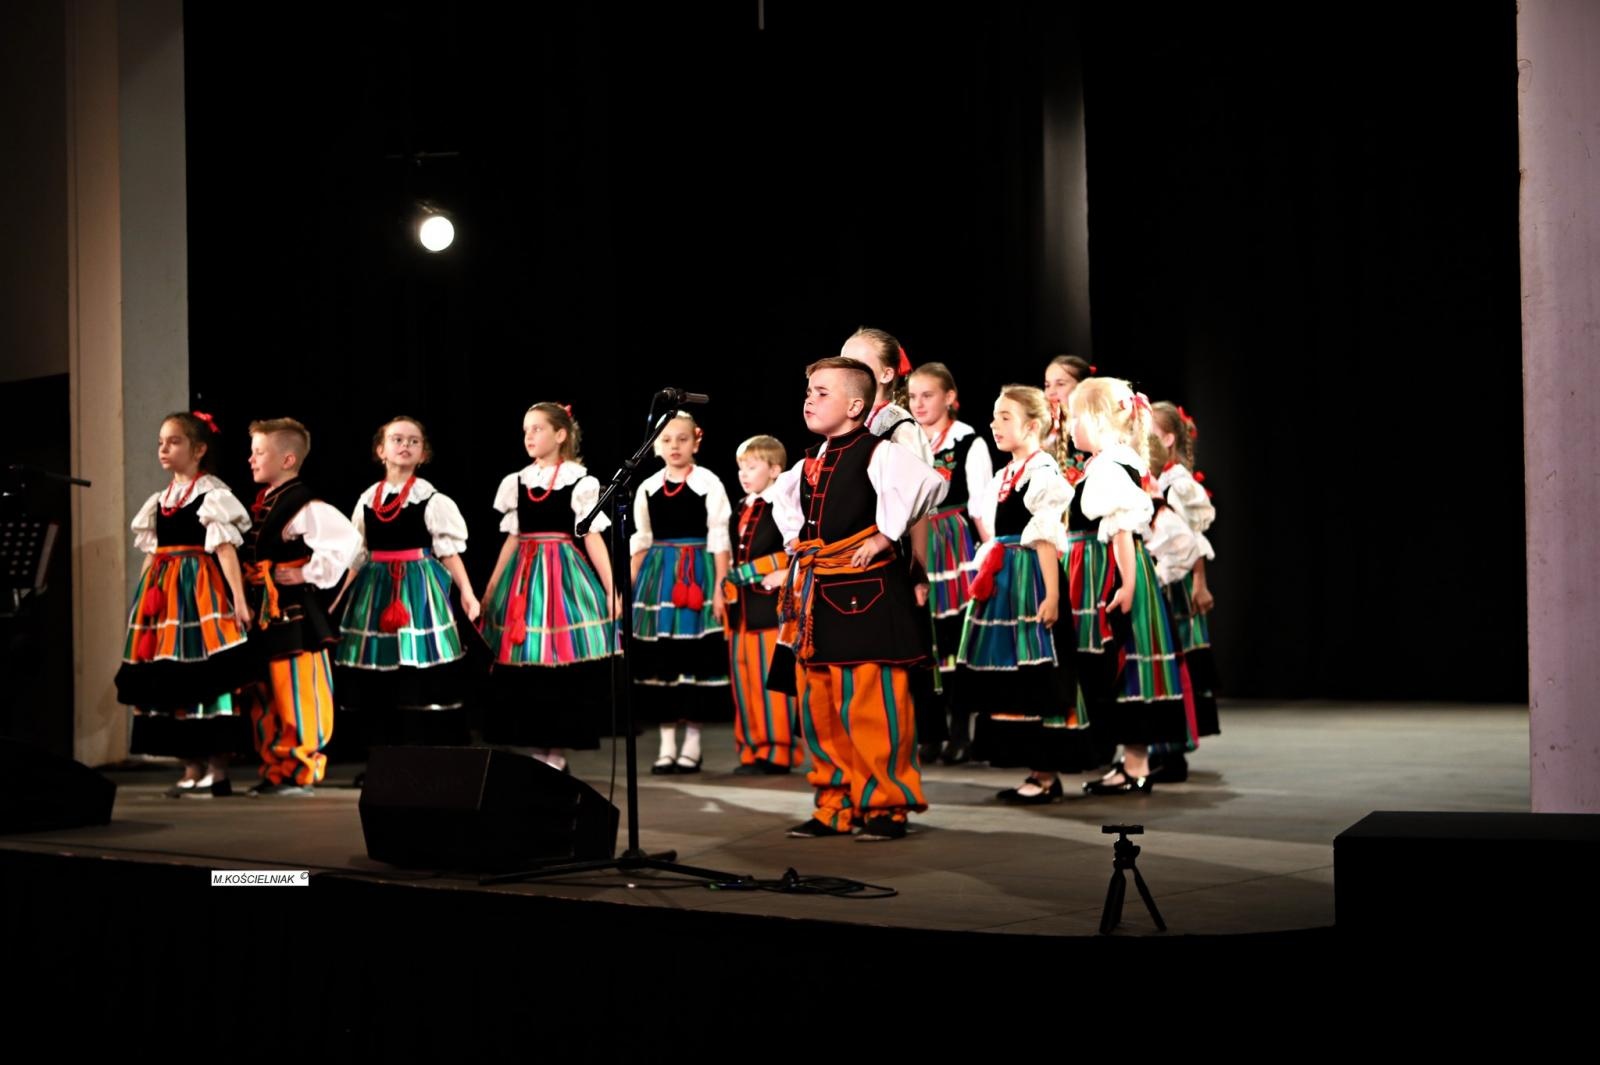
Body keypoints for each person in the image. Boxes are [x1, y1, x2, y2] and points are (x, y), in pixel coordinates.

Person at [770, 357, 947, 841]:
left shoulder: (878, 452)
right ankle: (836, 802)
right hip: (818, 595)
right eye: (808, 390)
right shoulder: (810, 459)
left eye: (822, 392)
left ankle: (886, 804)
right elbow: (789, 514)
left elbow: (928, 484)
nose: (809, 398)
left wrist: (887, 536)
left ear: (854, 404)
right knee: (820, 707)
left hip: (865, 595)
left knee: (871, 705)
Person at [959, 386, 1095, 803]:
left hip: (1030, 579)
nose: (994, 425)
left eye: (1004, 417)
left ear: (1032, 425)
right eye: (995, 416)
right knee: (1014, 673)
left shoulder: (1042, 473)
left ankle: (1045, 772)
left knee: (1039, 669)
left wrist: (1052, 595)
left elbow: (1045, 540)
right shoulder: (1006, 475)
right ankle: (1035, 769)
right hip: (1006, 579)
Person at [115, 411, 254, 797]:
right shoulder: (159, 501)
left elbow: (225, 550)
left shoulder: (212, 496)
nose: (164, 448)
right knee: (167, 673)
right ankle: (190, 765)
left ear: (198, 449)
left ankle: (217, 768)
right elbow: (151, 553)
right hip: (163, 596)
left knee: (205, 672)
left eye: (173, 441)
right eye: (161, 441)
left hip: (197, 592)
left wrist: (239, 601)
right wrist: (141, 599)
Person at [1064, 381, 1188, 795]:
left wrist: (1127, 585)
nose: (1070, 424)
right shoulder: (1113, 460)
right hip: (1112, 568)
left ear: (1098, 419)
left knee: (1126, 660)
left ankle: (1136, 764)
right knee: (1121, 662)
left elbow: (1121, 530)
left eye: (1077, 416)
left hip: (1113, 572)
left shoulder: (1107, 466)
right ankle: (1130, 761)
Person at [479, 402, 617, 772]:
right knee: (527, 662)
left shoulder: (580, 480)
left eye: (537, 429)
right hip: (523, 576)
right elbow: (512, 537)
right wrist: (491, 587)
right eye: (526, 430)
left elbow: (591, 538)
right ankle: (538, 749)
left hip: (562, 574)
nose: (529, 436)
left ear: (560, 435)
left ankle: (556, 752)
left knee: (559, 662)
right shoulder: (517, 481)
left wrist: (609, 588)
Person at [333, 416, 478, 750]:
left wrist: (467, 593)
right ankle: (383, 754)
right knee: (379, 670)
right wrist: (340, 596)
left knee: (416, 664)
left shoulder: (432, 499)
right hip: (375, 588)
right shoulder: (368, 499)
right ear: (380, 450)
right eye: (397, 439)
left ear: (423, 453)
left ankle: (420, 750)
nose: (405, 446)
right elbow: (358, 552)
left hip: (417, 589)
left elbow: (449, 552)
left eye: (414, 441)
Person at [240, 417, 362, 796]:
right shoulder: (268, 501)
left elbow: (347, 542)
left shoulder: (302, 502)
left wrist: (308, 571)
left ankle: (302, 766)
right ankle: (276, 767)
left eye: (260, 452)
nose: (251, 459)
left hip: (294, 612)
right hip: (267, 611)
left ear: (288, 459)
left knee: (298, 690)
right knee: (267, 692)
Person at [629, 411, 732, 774]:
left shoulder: (708, 483)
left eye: (682, 439)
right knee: (662, 660)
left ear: (696, 441)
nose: (675, 446)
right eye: (668, 439)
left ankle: (692, 744)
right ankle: (667, 744)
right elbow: (640, 543)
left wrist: (721, 588)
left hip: (697, 575)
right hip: (659, 579)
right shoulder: (647, 487)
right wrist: (627, 591)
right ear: (656, 444)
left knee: (695, 659)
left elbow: (720, 540)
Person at [906, 361, 993, 764]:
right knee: (924, 641)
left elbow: (980, 504)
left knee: (955, 639)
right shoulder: (904, 441)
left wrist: (991, 553)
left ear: (950, 398)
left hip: (952, 543)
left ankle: (960, 731)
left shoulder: (967, 442)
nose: (919, 403)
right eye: (913, 397)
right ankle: (928, 732)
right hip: (915, 539)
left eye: (928, 395)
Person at [722, 435, 802, 774]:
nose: (744, 473)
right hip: (742, 610)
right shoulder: (742, 506)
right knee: (744, 681)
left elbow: (796, 548)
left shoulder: (782, 504)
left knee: (770, 681)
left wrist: (769, 570)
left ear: (774, 470)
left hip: (770, 609)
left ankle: (777, 751)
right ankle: (752, 748)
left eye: (752, 466)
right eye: (741, 467)